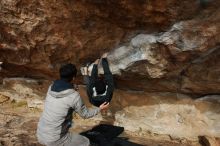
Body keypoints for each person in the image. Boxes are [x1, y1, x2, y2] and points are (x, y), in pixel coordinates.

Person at [37, 63, 109, 146]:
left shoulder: (51, 87)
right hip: (55, 139)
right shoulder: (73, 96)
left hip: (40, 134)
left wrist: (72, 86)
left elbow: (62, 91)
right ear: (74, 77)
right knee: (85, 141)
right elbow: (85, 114)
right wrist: (100, 108)